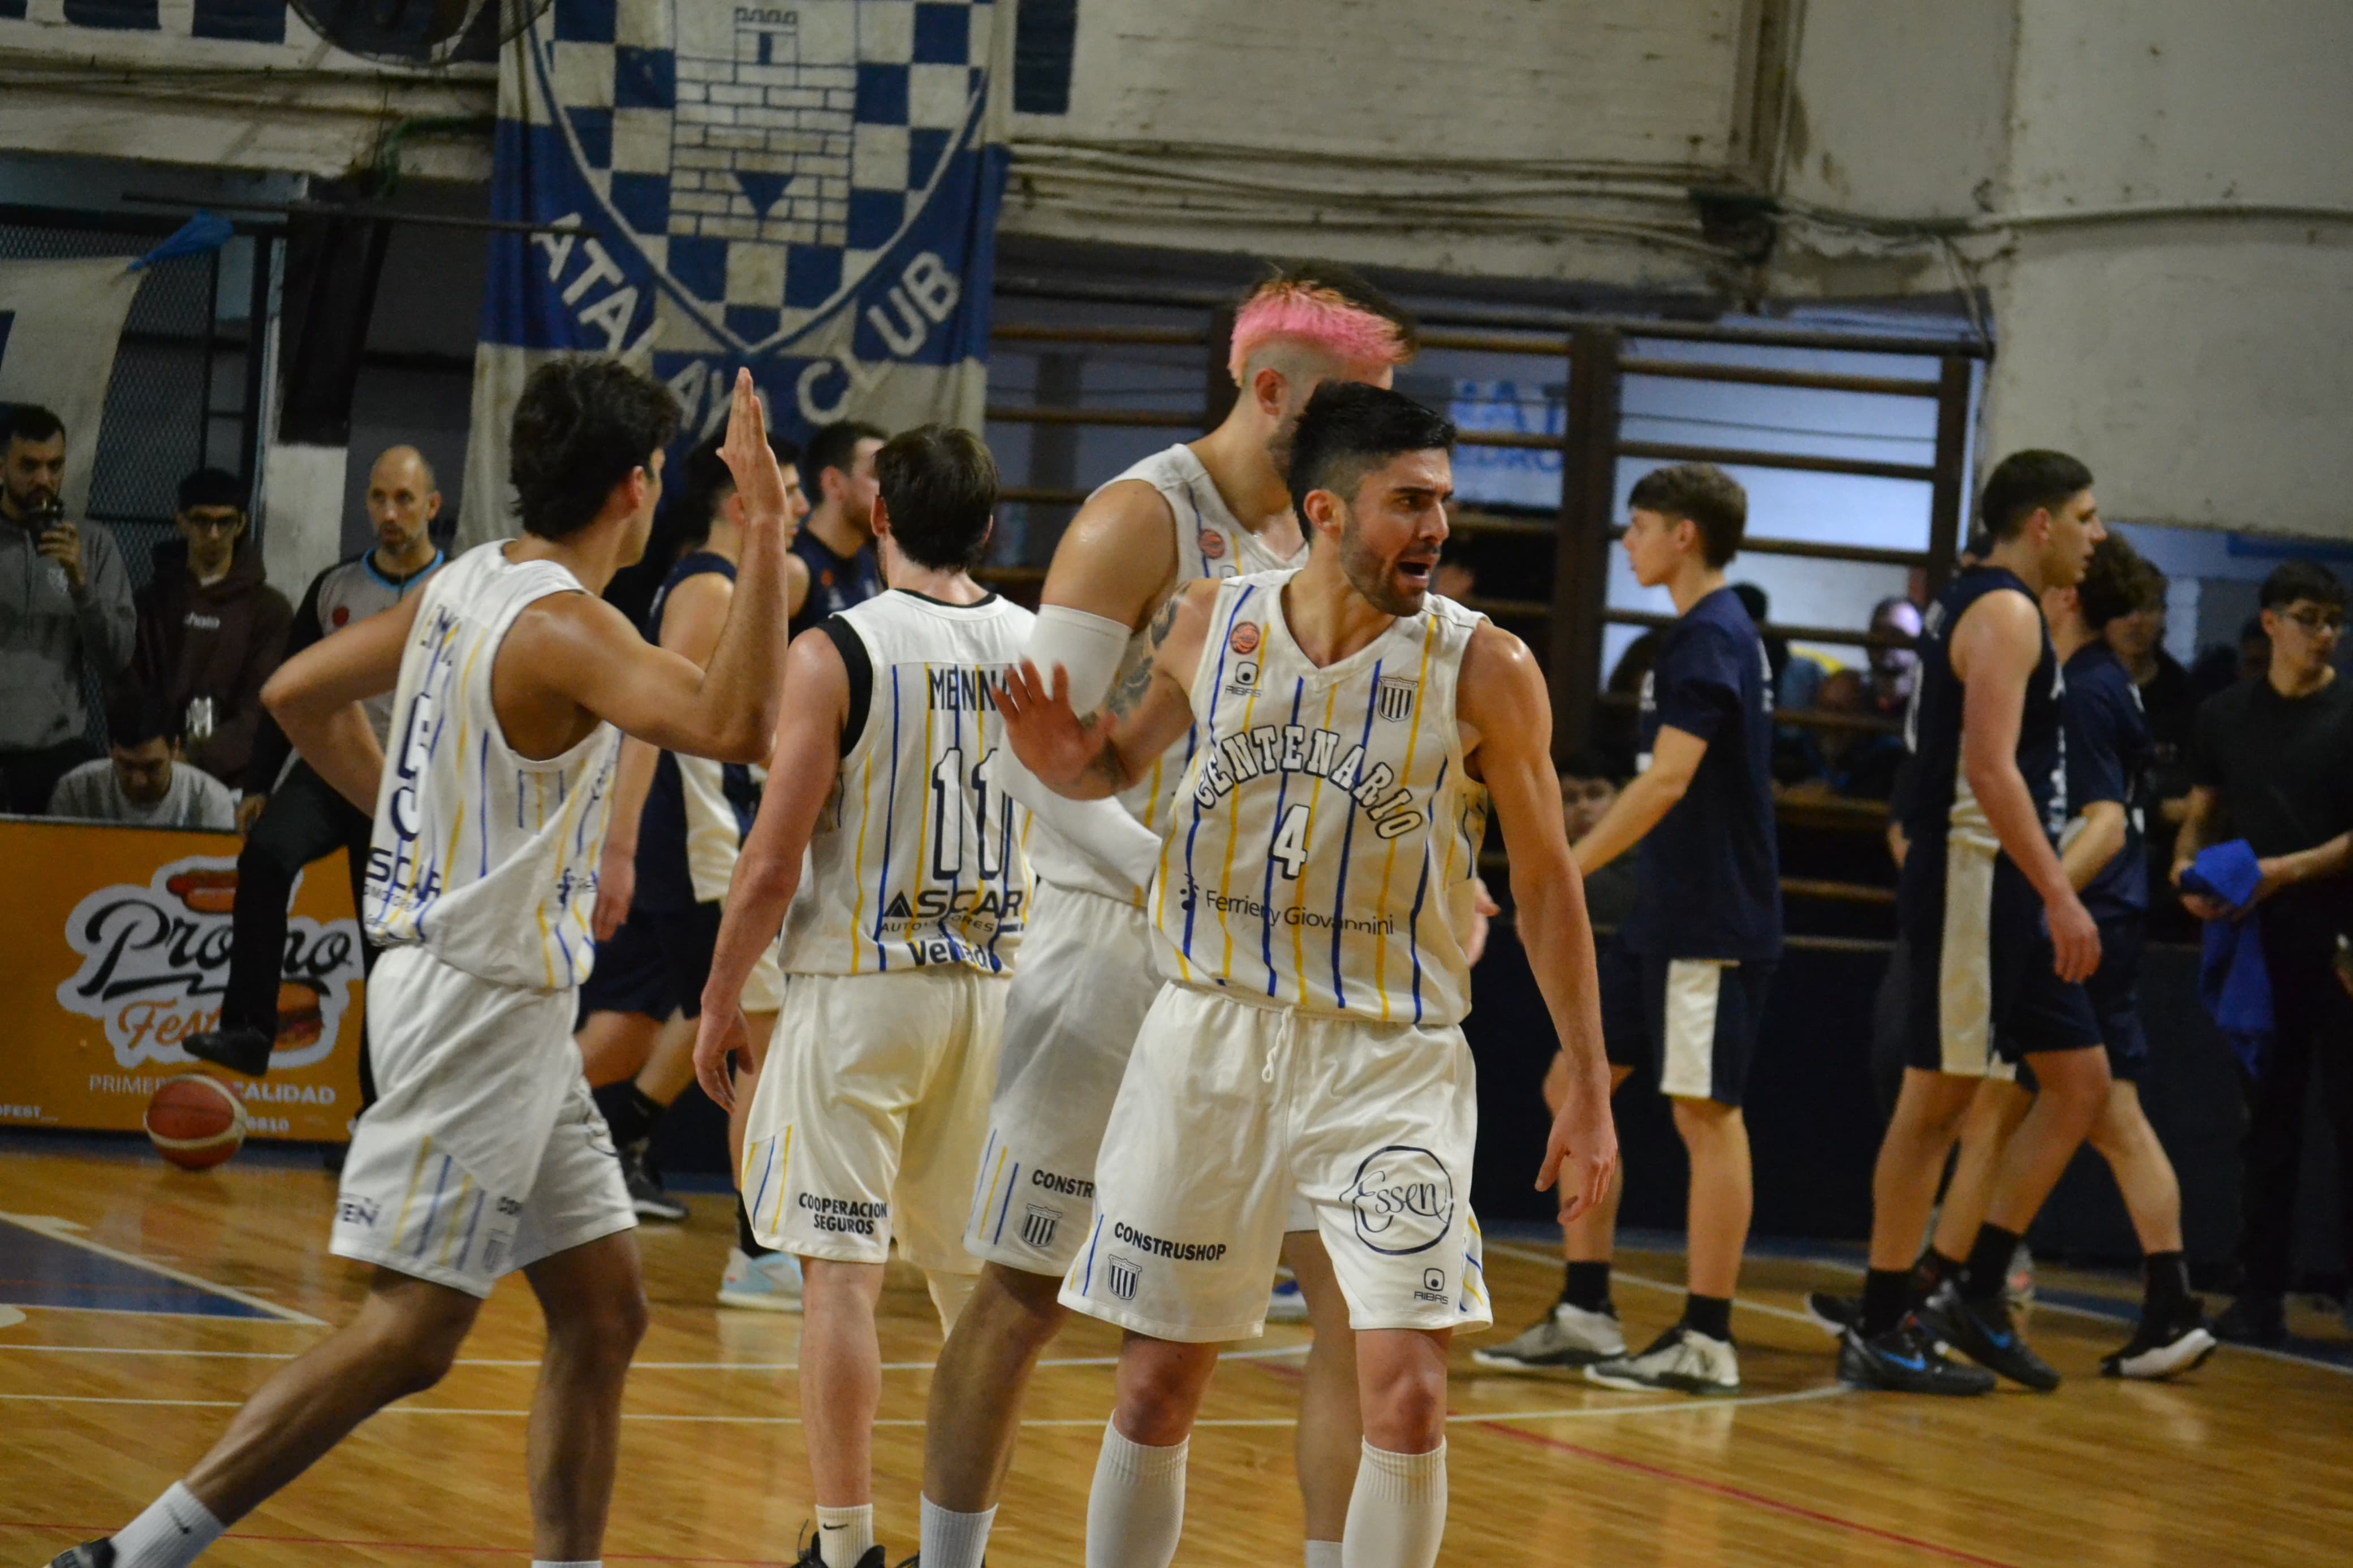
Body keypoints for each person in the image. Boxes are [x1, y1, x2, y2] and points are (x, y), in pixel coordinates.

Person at [48, 361, 794, 1568]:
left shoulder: (471, 579)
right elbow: (734, 724)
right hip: (476, 1004)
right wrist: (764, 534)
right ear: (636, 488)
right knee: (415, 1330)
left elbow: (296, 692)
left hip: (496, 1001)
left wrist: (396, 815)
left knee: (605, 1313)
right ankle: (133, 1553)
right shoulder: (565, 624)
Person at [996, 382, 1618, 1568]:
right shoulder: (1205, 623)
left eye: (1444, 501)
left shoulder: (1484, 668)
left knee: (1410, 1393)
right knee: (1154, 1389)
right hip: (1208, 1039)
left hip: (1388, 1058)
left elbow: (1545, 887)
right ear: (1327, 509)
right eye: (1409, 503)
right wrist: (1064, 761)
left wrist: (1585, 1087)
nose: (1436, 527)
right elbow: (1114, 764)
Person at [912, 263, 1420, 1568]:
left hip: (1243, 974)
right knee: (1021, 1294)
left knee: (1227, 1330)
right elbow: (1038, 771)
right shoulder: (1138, 518)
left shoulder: (1299, 545)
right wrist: (1179, 878)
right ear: (1270, 391)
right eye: (1354, 407)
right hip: (1104, 946)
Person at [691, 424, 1068, 1568]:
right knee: (980, 1301)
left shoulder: (836, 649)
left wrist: (718, 1002)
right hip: (998, 996)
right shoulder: (1041, 646)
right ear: (991, 527)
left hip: (862, 988)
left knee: (839, 1279)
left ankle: (847, 1546)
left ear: (881, 518)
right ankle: (961, 1546)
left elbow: (770, 859)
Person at [1812, 537, 2217, 1378]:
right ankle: (1935, 1290)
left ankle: (1951, 1286)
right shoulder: (2020, 648)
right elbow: (1949, 793)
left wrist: (2050, 895)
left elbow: (2104, 820)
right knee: (1997, 1102)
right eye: (2082, 516)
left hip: (2055, 918)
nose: (2092, 533)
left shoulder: (2088, 686)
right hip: (2013, 905)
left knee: (2058, 1099)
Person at [1476, 465, 1777, 1396]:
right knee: (1575, 1079)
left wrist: (1569, 864)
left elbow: (1668, 778)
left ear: (1684, 534)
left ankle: (1707, 1335)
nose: (1627, 540)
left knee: (1706, 1114)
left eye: (1639, 524)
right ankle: (1585, 1309)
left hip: (1709, 919)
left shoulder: (1707, 636)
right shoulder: (1698, 635)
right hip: (1666, 914)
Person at [1829, 449, 2111, 1396]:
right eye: (2085, 514)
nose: (2096, 534)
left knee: (2077, 1081)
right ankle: (1881, 1317)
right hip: (1975, 876)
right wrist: (2062, 891)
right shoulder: (2001, 610)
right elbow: (1990, 772)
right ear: (2040, 522)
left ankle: (1971, 1288)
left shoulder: (1991, 604)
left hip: (2002, 883)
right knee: (1937, 1104)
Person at [568, 431, 812, 1305]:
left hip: (702, 845)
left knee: (635, 1028)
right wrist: (621, 846)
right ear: (737, 504)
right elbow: (647, 724)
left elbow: (795, 582)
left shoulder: (739, 582)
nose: (802, 507)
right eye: (784, 492)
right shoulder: (707, 590)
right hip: (703, 847)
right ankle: (759, 1251)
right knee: (763, 1049)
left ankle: (493, 1149)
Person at [184, 446, 446, 1081]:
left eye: (404, 499)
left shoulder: (457, 590)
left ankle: (375, 1118)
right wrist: (257, 783)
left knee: (382, 952)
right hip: (328, 768)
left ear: (432, 506)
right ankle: (248, 1029)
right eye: (379, 498)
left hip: (406, 790)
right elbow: (288, 687)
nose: (390, 512)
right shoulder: (334, 587)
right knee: (264, 858)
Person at [2175, 560, 2353, 1345]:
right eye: (2310, 617)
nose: (2325, 633)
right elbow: (2202, 810)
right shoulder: (2223, 714)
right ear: (2271, 623)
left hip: (2344, 943)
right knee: (2267, 1126)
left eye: (2335, 620)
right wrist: (2186, 867)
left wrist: (2283, 871)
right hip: (2260, 947)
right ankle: (2259, 1294)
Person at [1, 403, 135, 814]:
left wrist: (81, 585)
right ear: (1, 464)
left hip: (57, 753)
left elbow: (116, 659)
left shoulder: (93, 544)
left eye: (55, 466)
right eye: (29, 466)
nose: (43, 479)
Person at [131, 468, 293, 791]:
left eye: (226, 522)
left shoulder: (270, 610)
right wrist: (154, 754)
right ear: (182, 522)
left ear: (242, 524)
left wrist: (195, 758)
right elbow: (134, 688)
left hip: (235, 781)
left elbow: (263, 707)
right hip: (152, 771)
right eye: (203, 521)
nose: (215, 534)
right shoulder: (151, 602)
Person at [47, 685, 236, 830]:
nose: (139, 781)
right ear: (110, 750)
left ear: (175, 750)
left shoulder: (210, 801)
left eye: (152, 768)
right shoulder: (75, 792)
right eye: (126, 766)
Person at [787, 418, 888, 638]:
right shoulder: (795, 569)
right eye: (878, 475)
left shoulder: (868, 562)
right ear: (833, 483)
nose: (892, 489)